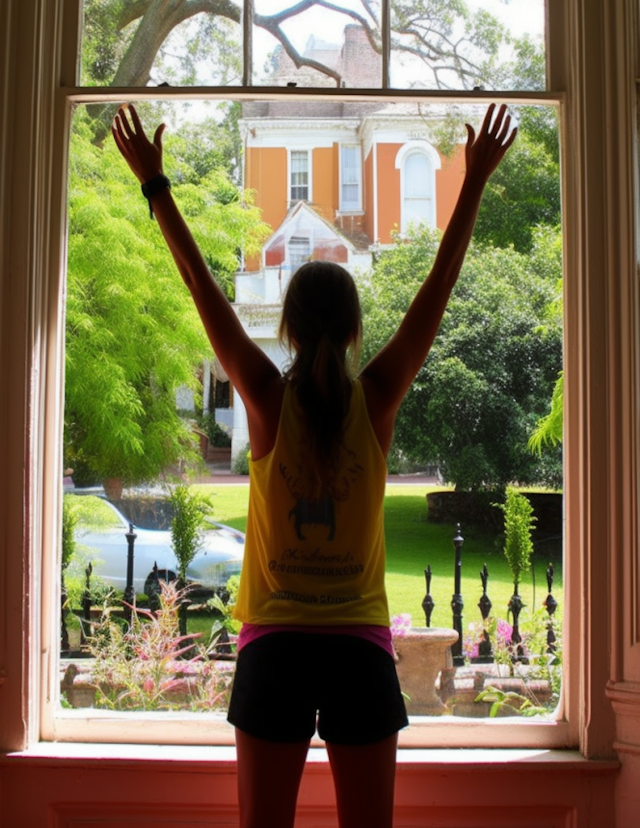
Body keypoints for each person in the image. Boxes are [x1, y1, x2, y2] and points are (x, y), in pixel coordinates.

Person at [112, 101, 517, 828]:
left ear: (290, 328)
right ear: (358, 329)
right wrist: (477, 180)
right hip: (360, 648)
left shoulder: (267, 399)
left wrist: (156, 184)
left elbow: (199, 282)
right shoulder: (379, 398)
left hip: (276, 649)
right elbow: (438, 288)